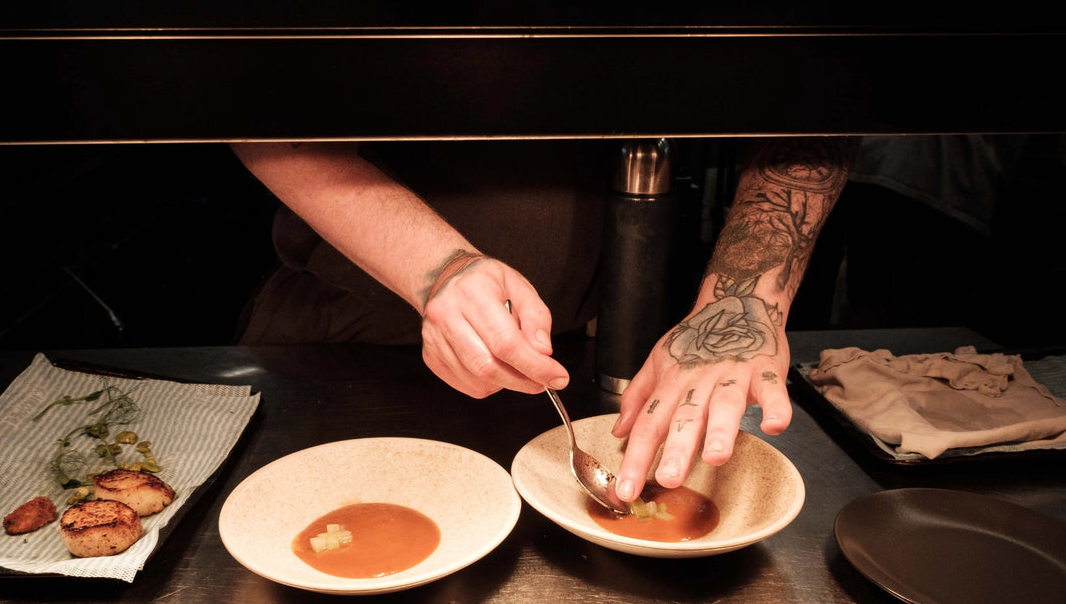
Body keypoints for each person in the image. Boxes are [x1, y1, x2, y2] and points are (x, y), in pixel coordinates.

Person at [232, 136, 852, 504]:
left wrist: (742, 299)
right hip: (343, 338)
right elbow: (248, 94)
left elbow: (816, 79)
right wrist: (436, 269)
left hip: (599, 338)